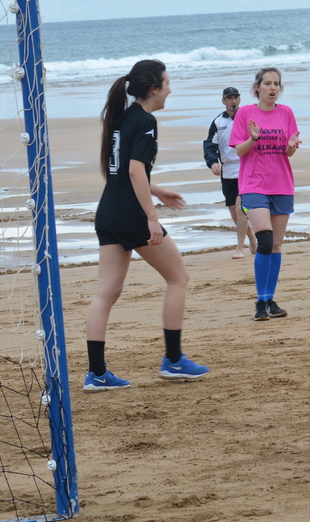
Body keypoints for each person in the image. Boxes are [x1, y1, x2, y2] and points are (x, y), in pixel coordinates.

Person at [84, 59, 209, 391]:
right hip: (131, 215)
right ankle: (174, 360)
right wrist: (152, 217)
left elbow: (122, 172)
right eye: (167, 84)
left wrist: (158, 190)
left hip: (108, 213)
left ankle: (96, 374)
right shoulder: (146, 121)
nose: (170, 90)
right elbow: (134, 170)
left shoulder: (121, 118)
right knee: (178, 278)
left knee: (105, 294)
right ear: (154, 88)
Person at [229, 67, 300, 321]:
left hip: (281, 185)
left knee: (277, 245)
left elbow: (289, 151)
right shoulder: (246, 113)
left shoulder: (286, 113)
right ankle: (260, 302)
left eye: (276, 84)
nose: (273, 88)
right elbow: (239, 151)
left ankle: (270, 299)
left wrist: (291, 146)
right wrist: (253, 138)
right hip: (254, 185)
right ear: (257, 87)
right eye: (268, 83)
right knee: (266, 242)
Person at [203, 86, 257, 259]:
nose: (233, 101)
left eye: (236, 98)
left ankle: (239, 249)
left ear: (239, 99)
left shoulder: (248, 118)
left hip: (246, 169)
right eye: (230, 98)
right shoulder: (218, 123)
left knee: (241, 210)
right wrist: (213, 163)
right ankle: (251, 238)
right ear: (224, 101)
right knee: (234, 212)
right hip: (227, 172)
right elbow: (209, 146)